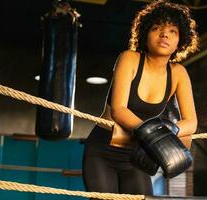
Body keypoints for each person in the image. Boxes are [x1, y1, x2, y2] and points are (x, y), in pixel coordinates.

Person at [82, 0, 199, 196]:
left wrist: (168, 130)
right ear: (146, 34)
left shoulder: (179, 73)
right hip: (103, 150)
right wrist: (155, 134)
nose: (164, 34)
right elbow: (119, 110)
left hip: (138, 155)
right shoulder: (129, 58)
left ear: (181, 41)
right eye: (157, 28)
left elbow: (191, 122)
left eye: (173, 31)